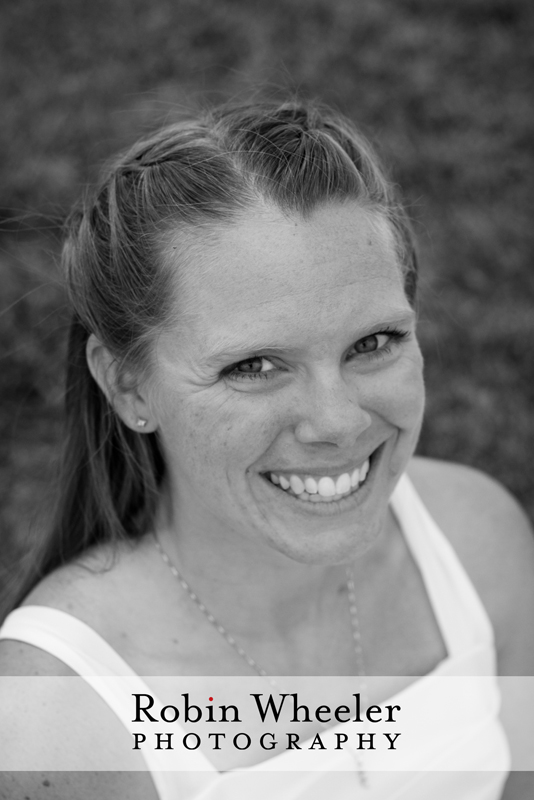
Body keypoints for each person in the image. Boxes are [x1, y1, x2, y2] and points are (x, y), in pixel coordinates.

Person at [0, 99, 532, 800]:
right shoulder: (52, 718)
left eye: (373, 343)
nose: (337, 424)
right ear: (128, 387)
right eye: (252, 366)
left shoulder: (477, 539)